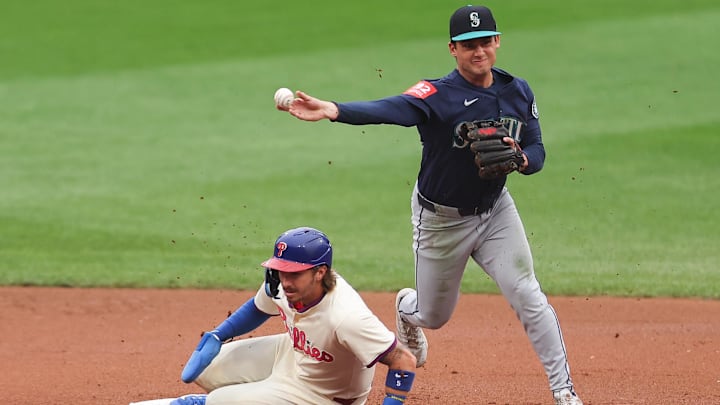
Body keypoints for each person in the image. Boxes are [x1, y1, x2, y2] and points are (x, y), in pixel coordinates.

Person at [279, 5, 583, 405]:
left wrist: (523, 161)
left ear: (497, 42)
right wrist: (336, 111)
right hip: (440, 221)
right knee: (434, 316)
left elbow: (537, 148)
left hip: (496, 212)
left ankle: (564, 391)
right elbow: (390, 108)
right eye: (468, 45)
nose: (479, 51)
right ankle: (407, 310)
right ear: (452, 49)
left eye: (485, 42)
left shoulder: (517, 90)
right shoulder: (436, 95)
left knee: (528, 294)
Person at [129, 227, 417, 405]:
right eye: (281, 269)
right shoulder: (283, 285)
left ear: (320, 272)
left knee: (218, 402)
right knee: (207, 368)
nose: (285, 280)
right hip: (291, 354)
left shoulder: (346, 316)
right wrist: (219, 334)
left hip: (322, 396)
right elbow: (257, 308)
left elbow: (403, 360)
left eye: (294, 273)